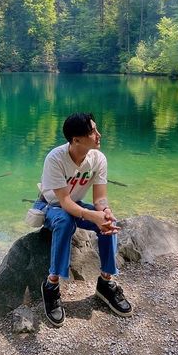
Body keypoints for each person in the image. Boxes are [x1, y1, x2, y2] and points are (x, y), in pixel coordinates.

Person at [39, 112, 133, 327]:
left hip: (75, 205)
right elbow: (64, 202)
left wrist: (105, 212)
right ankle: (52, 285)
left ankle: (106, 282)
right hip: (51, 206)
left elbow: (99, 198)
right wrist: (93, 216)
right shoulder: (55, 158)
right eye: (93, 131)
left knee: (108, 223)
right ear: (76, 139)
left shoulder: (98, 158)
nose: (99, 135)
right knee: (65, 220)